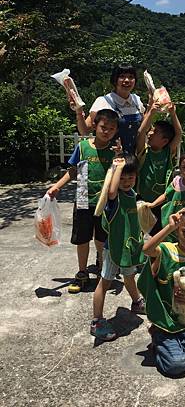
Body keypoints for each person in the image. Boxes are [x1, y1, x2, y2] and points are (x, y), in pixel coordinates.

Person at [47, 109, 119, 293]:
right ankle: (82, 273)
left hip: (105, 203)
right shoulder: (83, 146)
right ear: (95, 126)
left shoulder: (115, 151)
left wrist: (120, 157)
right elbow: (73, 171)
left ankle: (104, 274)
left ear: (116, 130)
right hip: (82, 199)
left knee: (102, 239)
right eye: (103, 127)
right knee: (82, 239)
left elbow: (122, 175)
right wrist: (57, 186)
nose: (106, 131)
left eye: (111, 129)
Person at [138, 207, 185, 377]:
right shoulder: (166, 250)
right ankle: (158, 338)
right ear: (178, 230)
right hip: (165, 322)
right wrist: (169, 227)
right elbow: (146, 249)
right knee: (176, 366)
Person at [91, 154, 146, 341]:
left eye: (130, 177)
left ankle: (137, 302)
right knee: (104, 282)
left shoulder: (132, 195)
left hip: (128, 248)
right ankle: (97, 321)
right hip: (113, 249)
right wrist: (117, 168)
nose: (126, 181)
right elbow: (112, 191)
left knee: (130, 276)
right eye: (122, 178)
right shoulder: (114, 199)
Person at [73, 65, 145, 154]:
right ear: (115, 80)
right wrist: (79, 112)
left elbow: (144, 127)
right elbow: (85, 131)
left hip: (134, 158)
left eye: (131, 77)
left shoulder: (137, 100)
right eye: (122, 76)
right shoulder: (103, 101)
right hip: (109, 157)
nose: (127, 80)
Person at [136, 102, 182, 232]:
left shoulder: (168, 152)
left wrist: (173, 114)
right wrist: (151, 113)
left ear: (165, 141)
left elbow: (179, 134)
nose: (150, 133)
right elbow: (140, 133)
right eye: (150, 130)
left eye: (155, 132)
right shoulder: (144, 151)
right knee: (138, 232)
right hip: (142, 201)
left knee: (158, 233)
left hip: (161, 201)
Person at [146, 150, 185, 243]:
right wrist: (153, 204)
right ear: (179, 168)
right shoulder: (177, 181)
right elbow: (166, 195)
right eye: (184, 167)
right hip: (173, 219)